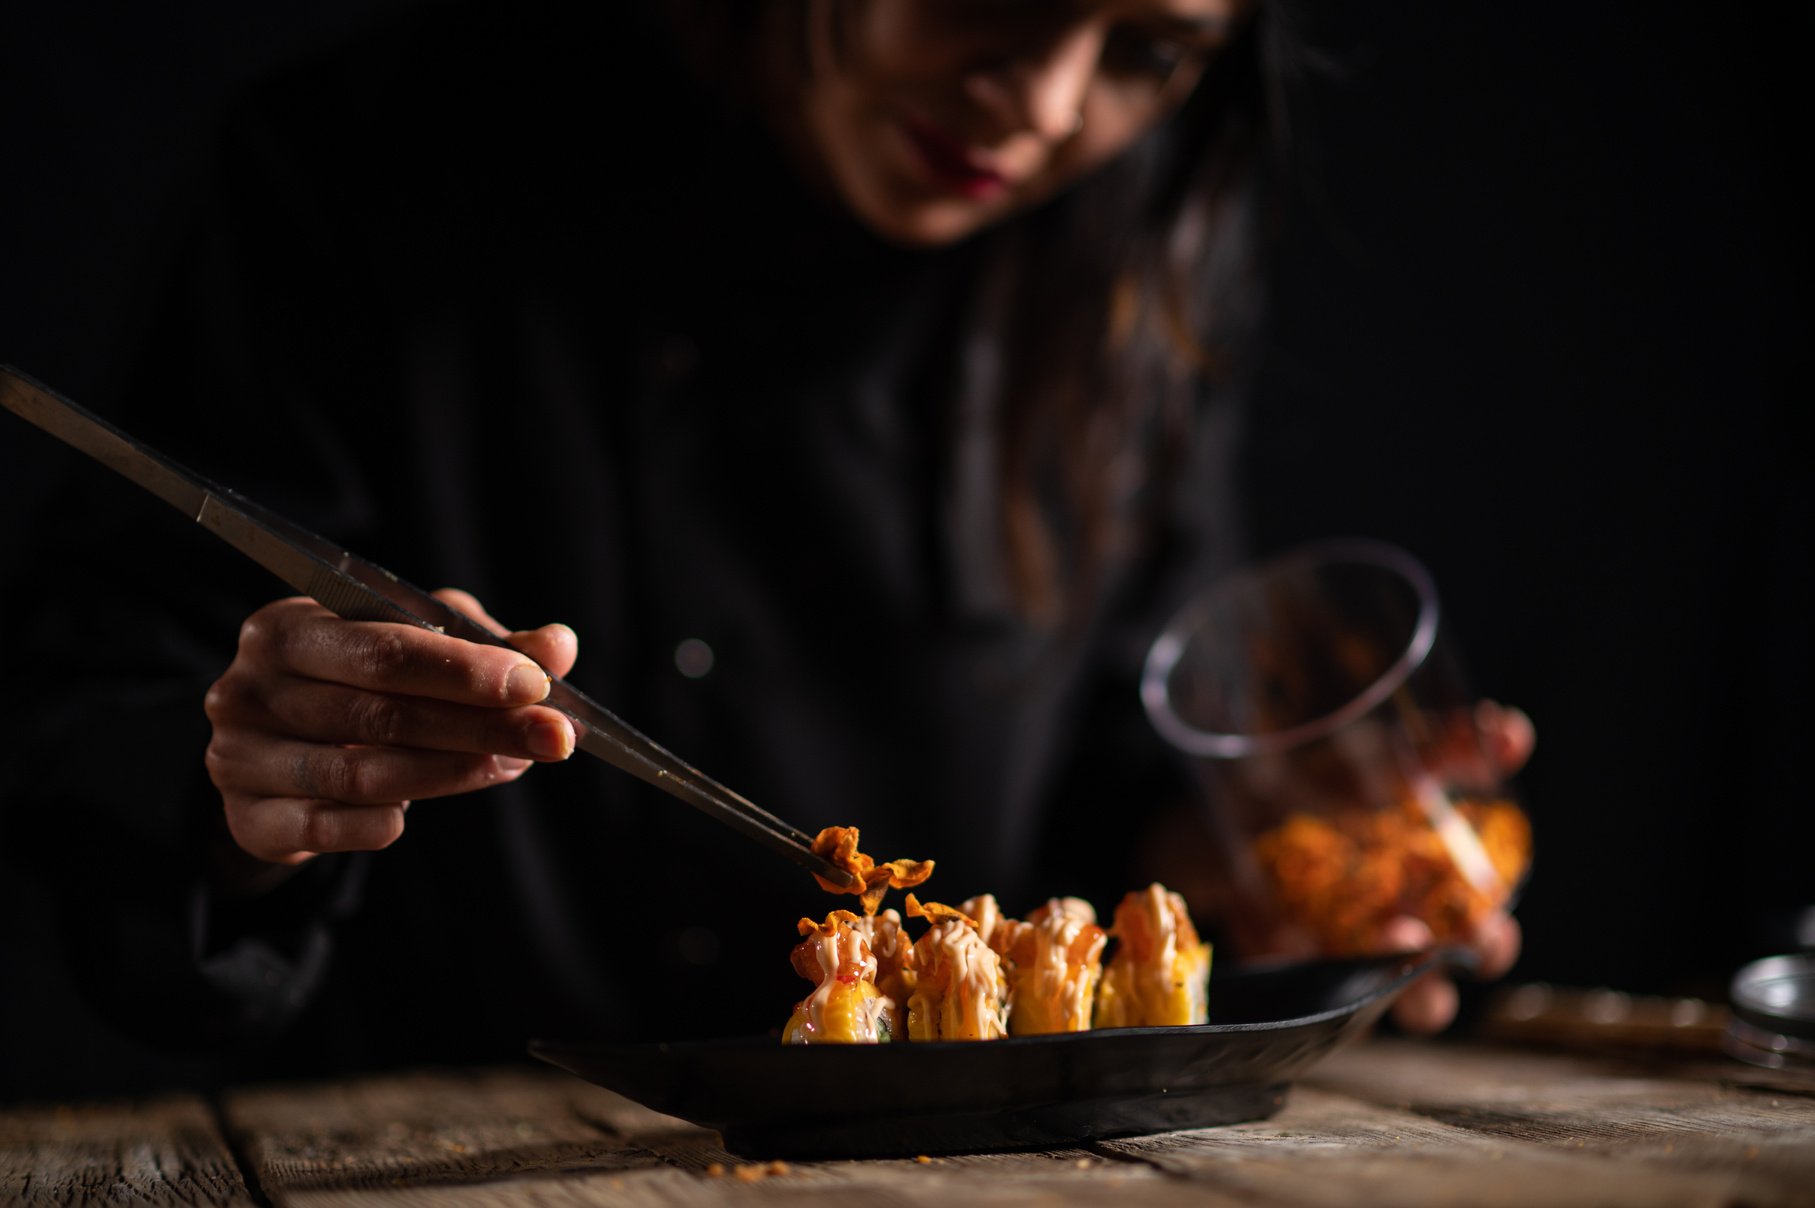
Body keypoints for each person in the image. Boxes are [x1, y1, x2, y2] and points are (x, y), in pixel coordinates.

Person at [1, 0, 1521, 1094]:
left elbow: (1122, 754)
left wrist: (1236, 869)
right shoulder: (359, 163)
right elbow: (94, 701)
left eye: (1148, 51)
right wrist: (256, 776)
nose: (1047, 104)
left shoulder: (1129, 269)